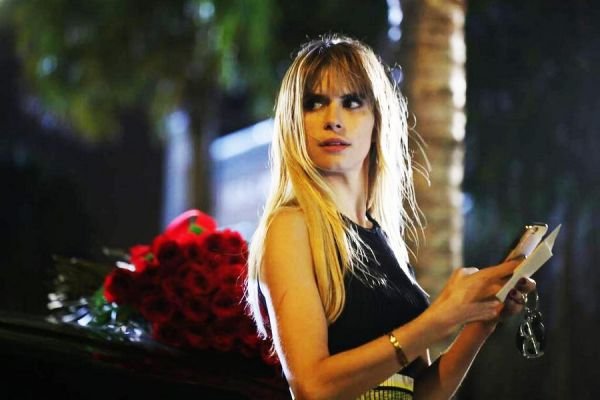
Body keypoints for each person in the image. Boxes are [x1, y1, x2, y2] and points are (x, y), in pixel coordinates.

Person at [245, 34, 535, 400]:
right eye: (314, 103)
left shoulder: (384, 240)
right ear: (292, 121)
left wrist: (481, 321)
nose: (333, 120)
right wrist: (439, 318)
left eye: (352, 102)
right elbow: (312, 387)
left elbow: (421, 393)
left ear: (377, 120)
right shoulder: (291, 227)